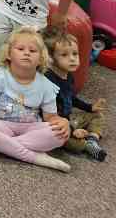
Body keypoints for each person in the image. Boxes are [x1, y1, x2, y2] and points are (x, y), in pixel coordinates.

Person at [0, 26, 71, 172]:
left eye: (33, 51)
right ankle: (36, 157)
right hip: (2, 125)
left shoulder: (46, 85)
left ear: (41, 59)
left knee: (59, 135)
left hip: (31, 128)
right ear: (8, 54)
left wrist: (63, 122)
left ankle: (0, 145)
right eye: (20, 49)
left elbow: (50, 117)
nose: (26, 53)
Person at [42, 26, 107, 161]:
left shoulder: (69, 76)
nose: (72, 59)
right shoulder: (48, 79)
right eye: (64, 55)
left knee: (97, 115)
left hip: (70, 119)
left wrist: (90, 107)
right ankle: (85, 144)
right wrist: (72, 131)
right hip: (55, 124)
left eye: (75, 54)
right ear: (51, 58)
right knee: (69, 142)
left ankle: (92, 139)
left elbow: (71, 97)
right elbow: (48, 116)